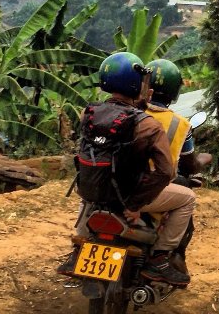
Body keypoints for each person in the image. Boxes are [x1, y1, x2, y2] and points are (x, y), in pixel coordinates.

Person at [59, 52, 195, 286]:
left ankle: (78, 248)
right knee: (188, 198)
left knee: (86, 194)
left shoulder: (88, 114)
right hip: (129, 197)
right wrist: (135, 205)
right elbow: (165, 172)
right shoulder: (149, 125)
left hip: (96, 191)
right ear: (137, 85)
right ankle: (160, 258)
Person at [145, 59, 212, 272]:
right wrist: (202, 160)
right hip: (150, 190)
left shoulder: (126, 112)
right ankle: (161, 255)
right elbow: (189, 164)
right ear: (174, 93)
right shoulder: (181, 124)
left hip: (114, 184)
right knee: (187, 200)